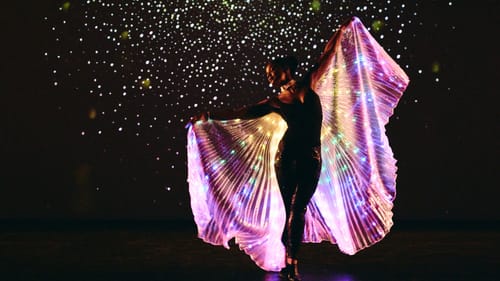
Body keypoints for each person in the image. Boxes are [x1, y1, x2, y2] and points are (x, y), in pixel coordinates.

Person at [189, 55, 322, 281]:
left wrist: (344, 30)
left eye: (273, 70)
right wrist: (208, 115)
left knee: (298, 209)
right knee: (291, 211)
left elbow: (325, 57)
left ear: (287, 69)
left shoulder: (308, 83)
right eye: (267, 73)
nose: (269, 75)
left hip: (310, 158)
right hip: (286, 158)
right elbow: (240, 112)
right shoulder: (276, 101)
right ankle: (290, 264)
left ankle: (291, 262)